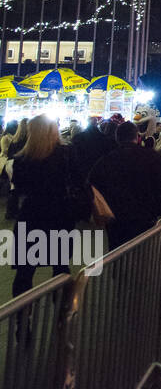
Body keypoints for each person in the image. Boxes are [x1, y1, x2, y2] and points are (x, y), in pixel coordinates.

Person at [9, 115, 89, 295]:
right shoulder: (66, 153)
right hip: (60, 215)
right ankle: (62, 315)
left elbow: (19, 187)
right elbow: (79, 180)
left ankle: (22, 317)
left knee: (25, 270)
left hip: (31, 215)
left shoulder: (22, 158)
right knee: (60, 267)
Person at [88, 121, 161, 250]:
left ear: (117, 138)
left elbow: (92, 183)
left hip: (117, 217)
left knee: (118, 254)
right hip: (146, 216)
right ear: (137, 136)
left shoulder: (107, 160)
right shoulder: (151, 157)